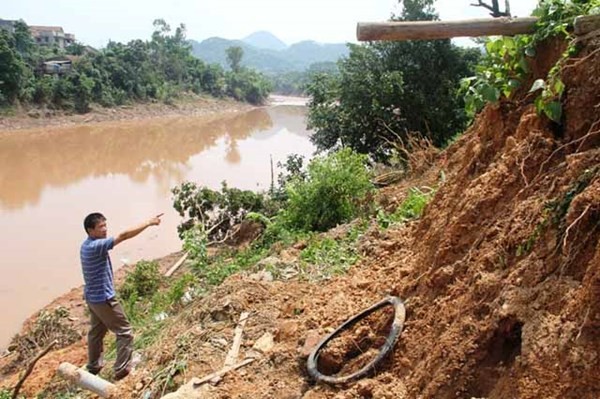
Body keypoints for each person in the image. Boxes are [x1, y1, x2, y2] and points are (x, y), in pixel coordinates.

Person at [80, 212, 163, 380]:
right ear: (90, 230)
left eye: (105, 225)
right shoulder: (96, 246)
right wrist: (148, 222)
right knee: (124, 331)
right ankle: (122, 369)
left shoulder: (85, 245)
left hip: (92, 298)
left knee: (96, 333)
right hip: (103, 298)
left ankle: (94, 366)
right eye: (100, 227)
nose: (105, 229)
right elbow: (123, 236)